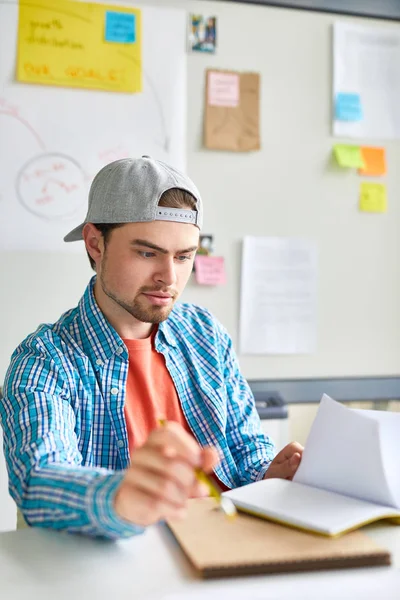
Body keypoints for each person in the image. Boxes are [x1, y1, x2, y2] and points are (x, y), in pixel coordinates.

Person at [0, 157, 303, 540]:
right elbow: (40, 481)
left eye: (184, 256)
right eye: (147, 253)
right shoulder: (45, 360)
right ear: (96, 243)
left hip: (228, 548)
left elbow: (246, 451)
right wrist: (121, 498)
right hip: (122, 564)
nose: (169, 278)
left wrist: (272, 473)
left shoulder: (205, 334)